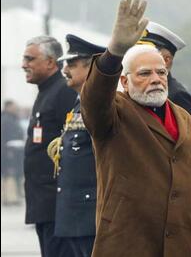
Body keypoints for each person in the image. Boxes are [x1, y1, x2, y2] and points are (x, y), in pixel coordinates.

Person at [80, 0, 191, 257]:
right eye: (144, 74)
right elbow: (94, 99)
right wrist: (114, 52)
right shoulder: (114, 113)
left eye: (161, 73)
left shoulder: (187, 121)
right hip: (129, 245)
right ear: (125, 82)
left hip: (181, 247)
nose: (156, 80)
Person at [46, 34, 105, 257]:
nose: (64, 70)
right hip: (75, 213)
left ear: (90, 68)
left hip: (90, 214)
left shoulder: (99, 105)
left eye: (71, 64)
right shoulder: (79, 103)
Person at [22, 36, 77, 257]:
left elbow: (73, 146)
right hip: (43, 203)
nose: (24, 64)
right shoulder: (46, 92)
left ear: (50, 62)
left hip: (56, 204)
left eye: (30, 59)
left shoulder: (63, 91)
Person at [137, 21, 191, 122]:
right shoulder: (138, 90)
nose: (140, 57)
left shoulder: (178, 95)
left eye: (148, 53)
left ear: (166, 60)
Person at [1, 100, 24, 205]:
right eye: (14, 107)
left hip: (14, 152)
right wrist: (7, 153)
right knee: (9, 175)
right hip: (8, 153)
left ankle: (12, 197)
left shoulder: (12, 119)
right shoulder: (5, 120)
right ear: (8, 107)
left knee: (14, 175)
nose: (16, 109)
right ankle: (10, 198)